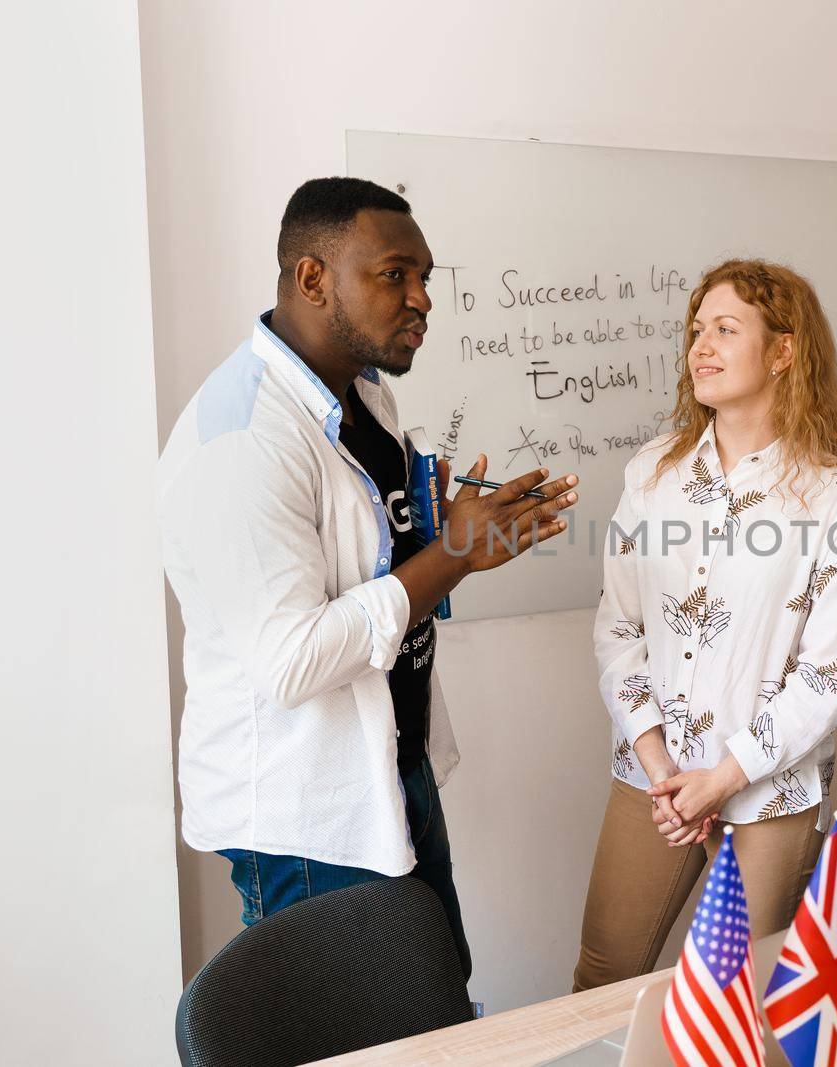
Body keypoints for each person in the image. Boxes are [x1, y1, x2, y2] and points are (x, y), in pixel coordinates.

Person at [156, 177, 579, 973]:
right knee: (360, 1038)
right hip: (308, 813)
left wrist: (451, 532)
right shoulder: (242, 440)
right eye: (396, 274)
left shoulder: (366, 395)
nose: (422, 299)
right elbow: (293, 660)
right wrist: (451, 555)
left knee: (441, 1001)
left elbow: (375, 564)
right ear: (313, 278)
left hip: (390, 764)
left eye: (425, 276)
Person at [573, 259, 837, 991]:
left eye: (725, 328)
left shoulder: (834, 496)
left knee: (740, 1004)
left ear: (783, 350)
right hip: (654, 779)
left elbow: (828, 673)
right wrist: (661, 768)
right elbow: (619, 628)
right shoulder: (651, 473)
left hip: (765, 790)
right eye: (696, 329)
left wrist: (723, 777)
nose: (700, 346)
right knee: (600, 979)